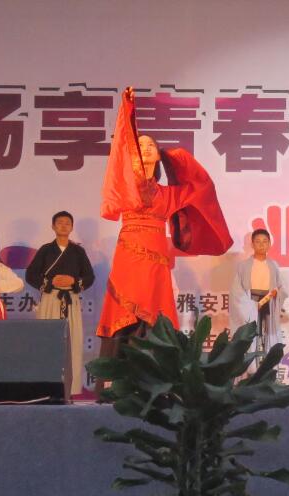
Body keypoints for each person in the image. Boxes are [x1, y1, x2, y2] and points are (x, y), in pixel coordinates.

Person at [97, 86, 232, 355]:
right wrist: (128, 108)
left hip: (156, 256)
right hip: (128, 254)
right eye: (141, 145)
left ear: (158, 154)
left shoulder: (168, 194)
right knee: (125, 308)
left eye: (151, 145)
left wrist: (177, 159)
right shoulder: (127, 186)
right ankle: (116, 371)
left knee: (155, 309)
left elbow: (201, 187)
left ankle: (156, 371)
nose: (145, 148)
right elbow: (123, 142)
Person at [25, 211, 96, 394]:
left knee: (73, 342)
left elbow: (89, 277)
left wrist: (74, 281)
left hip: (71, 300)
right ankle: (45, 387)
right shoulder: (46, 250)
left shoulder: (78, 251)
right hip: (50, 298)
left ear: (71, 228)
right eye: (60, 222)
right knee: (47, 339)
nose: (64, 226)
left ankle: (70, 388)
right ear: (53, 226)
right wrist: (50, 282)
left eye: (67, 223)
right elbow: (30, 275)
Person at [229, 229, 285, 355]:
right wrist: (250, 304)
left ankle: (266, 365)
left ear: (269, 244)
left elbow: (282, 287)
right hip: (250, 304)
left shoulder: (273, 265)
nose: (261, 245)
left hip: (269, 304)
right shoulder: (243, 266)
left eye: (265, 241)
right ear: (252, 244)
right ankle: (252, 365)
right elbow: (236, 291)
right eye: (258, 241)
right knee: (252, 337)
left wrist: (276, 295)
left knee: (267, 338)